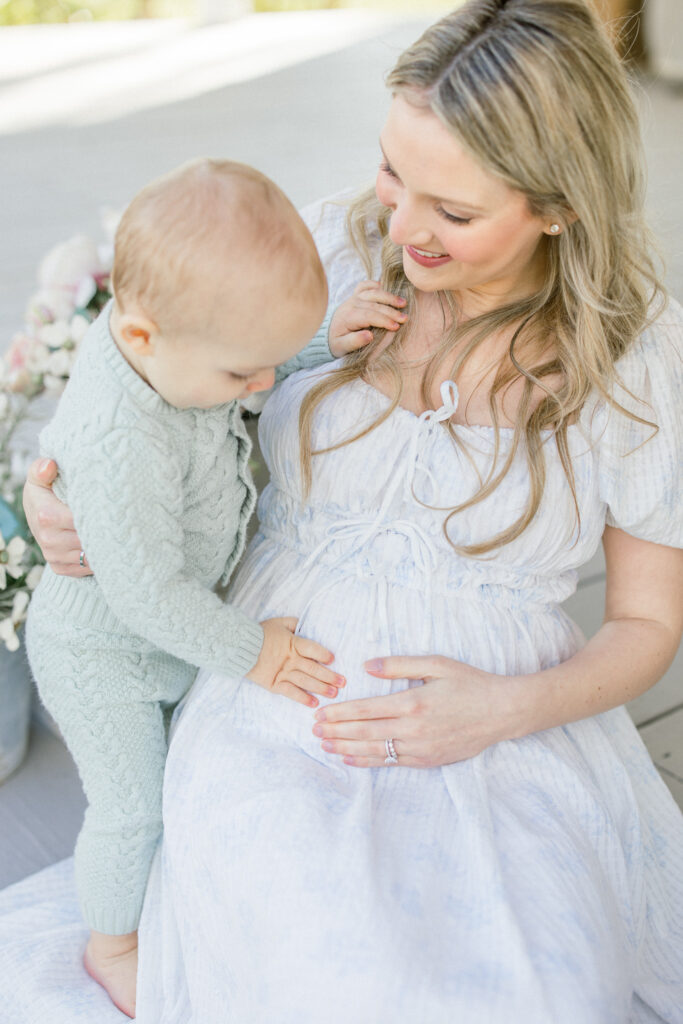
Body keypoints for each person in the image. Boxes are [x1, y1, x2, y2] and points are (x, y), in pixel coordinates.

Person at [21, 1, 683, 1021]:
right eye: (391, 172)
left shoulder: (635, 351)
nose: (402, 226)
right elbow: (151, 388)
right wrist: (54, 495)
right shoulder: (329, 244)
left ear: (558, 207)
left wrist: (499, 712)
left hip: (506, 718)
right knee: (315, 965)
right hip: (276, 693)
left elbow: (646, 624)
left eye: (451, 212)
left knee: (531, 988)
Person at [23, 158, 401, 1018]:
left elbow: (241, 354)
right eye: (244, 377)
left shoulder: (176, 348)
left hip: (165, 629)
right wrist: (254, 653)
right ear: (145, 335)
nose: (260, 389)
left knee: (188, 776)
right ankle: (110, 942)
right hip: (103, 653)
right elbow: (147, 595)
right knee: (131, 808)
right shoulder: (125, 439)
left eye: (269, 365)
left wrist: (316, 343)